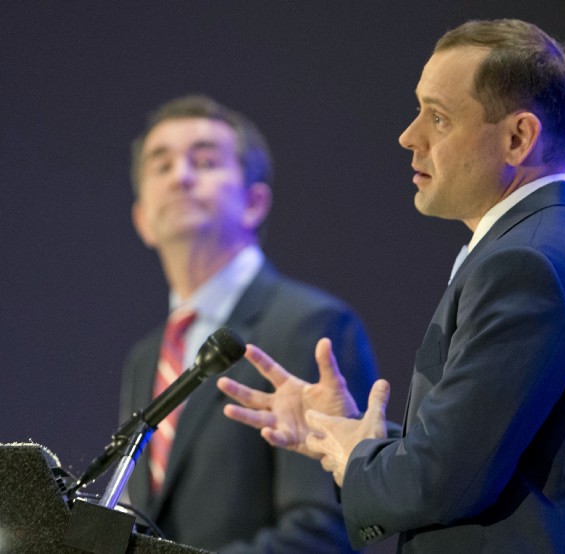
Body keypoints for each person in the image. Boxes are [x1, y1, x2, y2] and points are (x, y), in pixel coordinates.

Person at [219, 19, 565, 553]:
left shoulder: (525, 265)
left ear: (518, 138)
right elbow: (484, 460)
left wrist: (358, 456)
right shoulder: (554, 247)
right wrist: (342, 431)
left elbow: (442, 481)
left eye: (438, 117)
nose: (409, 136)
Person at [120, 94, 378, 553]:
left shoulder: (309, 325)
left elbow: (324, 530)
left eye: (204, 161)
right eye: (161, 166)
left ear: (254, 203)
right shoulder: (145, 359)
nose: (181, 176)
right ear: (142, 219)